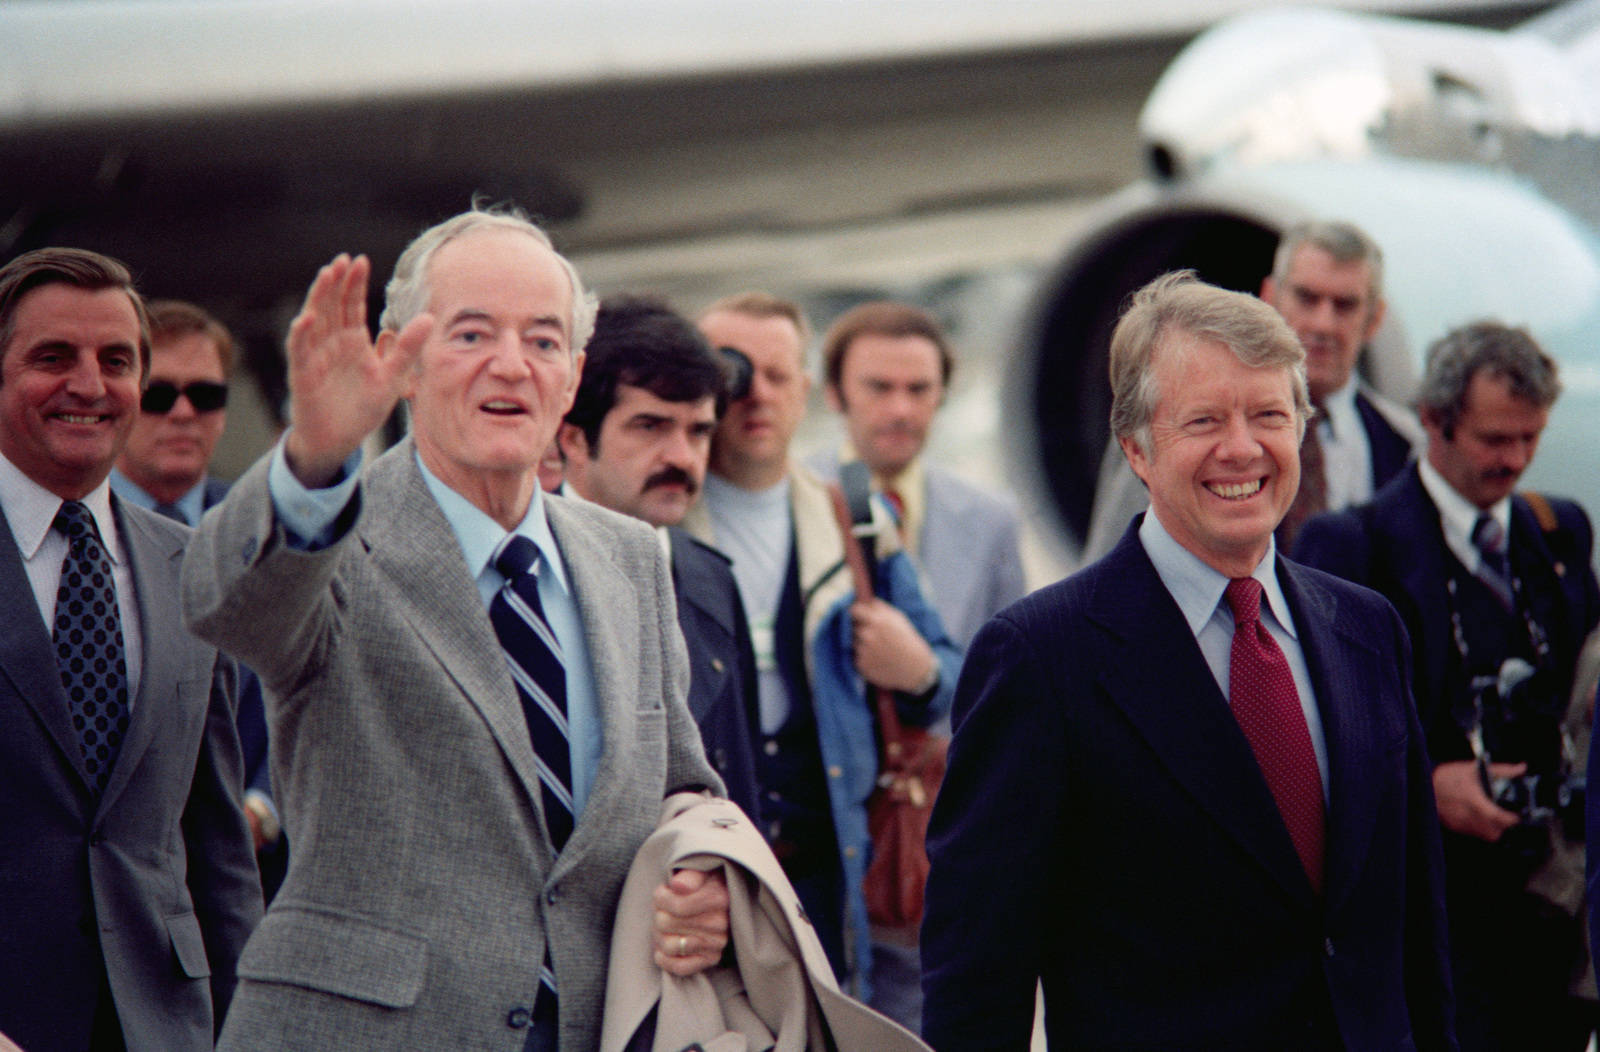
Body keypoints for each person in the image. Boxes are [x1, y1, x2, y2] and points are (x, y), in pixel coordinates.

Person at [180, 207, 730, 1051]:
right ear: (402, 360)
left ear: (574, 376)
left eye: (544, 342)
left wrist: (701, 866)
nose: (512, 365)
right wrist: (314, 461)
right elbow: (230, 604)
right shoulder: (336, 535)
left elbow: (678, 784)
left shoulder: (630, 560)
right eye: (471, 335)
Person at [921, 271, 1455, 1051]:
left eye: (1270, 415)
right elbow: (978, 976)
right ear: (1136, 449)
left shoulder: (1367, 630)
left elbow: (1417, 927)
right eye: (1203, 419)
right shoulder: (1042, 660)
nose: (1242, 448)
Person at [1296, 321, 1600, 1051]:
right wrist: (1429, 785)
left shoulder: (1560, 531)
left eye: (1531, 438)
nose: (1516, 461)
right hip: (1432, 924)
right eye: (1496, 440)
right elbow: (1315, 737)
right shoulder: (1350, 546)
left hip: (1552, 920)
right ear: (1432, 420)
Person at [0, 248, 261, 1052]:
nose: (89, 385)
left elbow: (217, 846)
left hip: (164, 1027)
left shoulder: (189, 566)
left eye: (116, 361)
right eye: (53, 358)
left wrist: (250, 1027)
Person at [682, 291, 962, 1007]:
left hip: (831, 885)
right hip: (706, 887)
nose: (757, 395)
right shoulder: (658, 524)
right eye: (734, 374)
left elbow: (964, 679)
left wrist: (919, 669)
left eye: (780, 376)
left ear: (808, 391)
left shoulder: (854, 522)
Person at [558, 293, 762, 820]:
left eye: (698, 431)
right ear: (574, 439)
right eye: (650, 426)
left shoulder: (711, 577)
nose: (681, 457)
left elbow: (742, 785)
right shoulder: (527, 573)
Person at [108, 299, 286, 899]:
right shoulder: (68, 529)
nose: (184, 413)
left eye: (206, 396)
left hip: (254, 879)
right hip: (110, 881)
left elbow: (316, 687)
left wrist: (261, 807)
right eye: (160, 395)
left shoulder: (272, 529)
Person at [807, 300, 1027, 650]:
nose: (900, 410)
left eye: (919, 389)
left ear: (942, 394)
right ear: (834, 394)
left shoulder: (993, 518)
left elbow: (1013, 670)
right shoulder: (791, 499)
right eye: (879, 388)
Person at [1261, 220, 1420, 546]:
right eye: (1307, 298)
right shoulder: (1212, 430)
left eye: (1344, 305)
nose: (1323, 324)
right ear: (1269, 298)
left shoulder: (1406, 446)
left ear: (1374, 318)